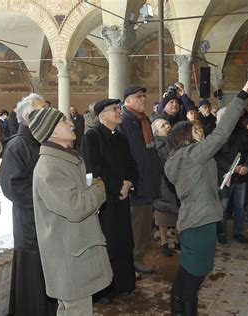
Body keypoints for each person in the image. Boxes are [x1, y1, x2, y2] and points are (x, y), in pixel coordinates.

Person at [165, 75, 248, 315]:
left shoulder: (181, 158)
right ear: (185, 137)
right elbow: (223, 132)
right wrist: (241, 97)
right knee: (194, 278)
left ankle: (178, 310)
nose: (201, 132)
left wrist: (221, 180)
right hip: (200, 223)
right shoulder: (193, 154)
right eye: (195, 131)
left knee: (186, 274)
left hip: (192, 220)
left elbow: (198, 182)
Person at [31, 107, 111, 315]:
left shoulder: (66, 158)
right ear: (53, 132)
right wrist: (99, 189)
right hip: (68, 255)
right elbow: (75, 207)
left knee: (72, 308)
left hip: (76, 247)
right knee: (77, 309)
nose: (72, 123)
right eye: (64, 121)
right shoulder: (50, 167)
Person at [0, 93, 56, 316]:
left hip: (47, 225)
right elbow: (12, 187)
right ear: (29, 116)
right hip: (30, 227)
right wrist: (47, 202)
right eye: (43, 112)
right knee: (32, 287)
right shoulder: (17, 146)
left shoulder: (43, 143)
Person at [80, 99, 137, 304]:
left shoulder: (121, 137)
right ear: (102, 115)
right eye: (115, 109)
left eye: (119, 108)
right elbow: (93, 168)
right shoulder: (92, 136)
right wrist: (116, 187)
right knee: (108, 243)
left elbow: (131, 163)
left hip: (121, 197)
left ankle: (124, 283)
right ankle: (105, 289)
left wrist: (129, 182)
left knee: (123, 241)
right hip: (104, 200)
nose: (119, 111)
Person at [117, 86, 160, 274]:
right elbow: (126, 156)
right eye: (138, 97)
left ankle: (138, 258)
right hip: (136, 183)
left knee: (144, 226)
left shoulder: (143, 120)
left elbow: (148, 150)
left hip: (147, 180)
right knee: (135, 225)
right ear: (127, 101)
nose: (143, 99)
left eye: (144, 96)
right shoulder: (124, 121)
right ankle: (131, 262)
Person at [215, 109, 248, 244]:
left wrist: (247, 165)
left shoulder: (242, 131)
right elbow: (216, 156)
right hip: (225, 176)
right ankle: (221, 233)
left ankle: (238, 232)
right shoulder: (218, 133)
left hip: (241, 176)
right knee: (223, 207)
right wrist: (231, 168)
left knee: (239, 206)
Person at [151, 118, 180, 257]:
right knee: (163, 214)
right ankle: (163, 242)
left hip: (176, 181)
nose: (167, 126)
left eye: (167, 123)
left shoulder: (174, 142)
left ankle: (177, 239)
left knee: (177, 213)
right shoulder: (156, 146)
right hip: (163, 183)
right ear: (156, 132)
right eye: (163, 125)